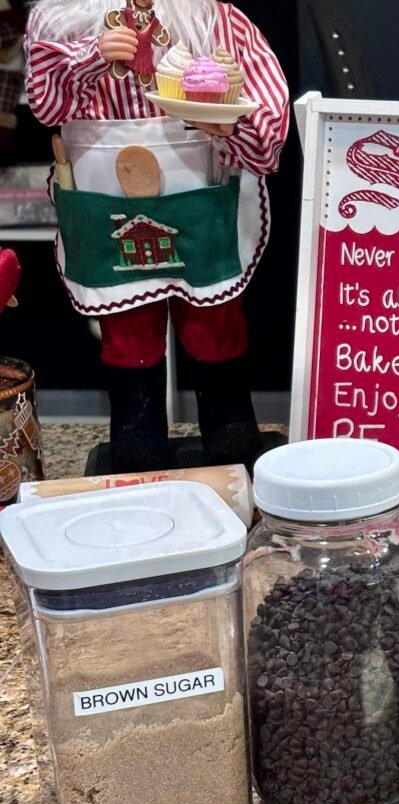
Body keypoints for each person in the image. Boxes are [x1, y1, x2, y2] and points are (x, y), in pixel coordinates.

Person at [25, 0, 289, 470]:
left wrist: (231, 125)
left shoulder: (213, 18)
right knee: (126, 329)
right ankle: (136, 442)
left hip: (201, 191)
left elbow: (266, 111)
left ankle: (230, 437)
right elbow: (46, 106)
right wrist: (92, 57)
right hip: (102, 195)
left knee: (214, 320)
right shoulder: (59, 19)